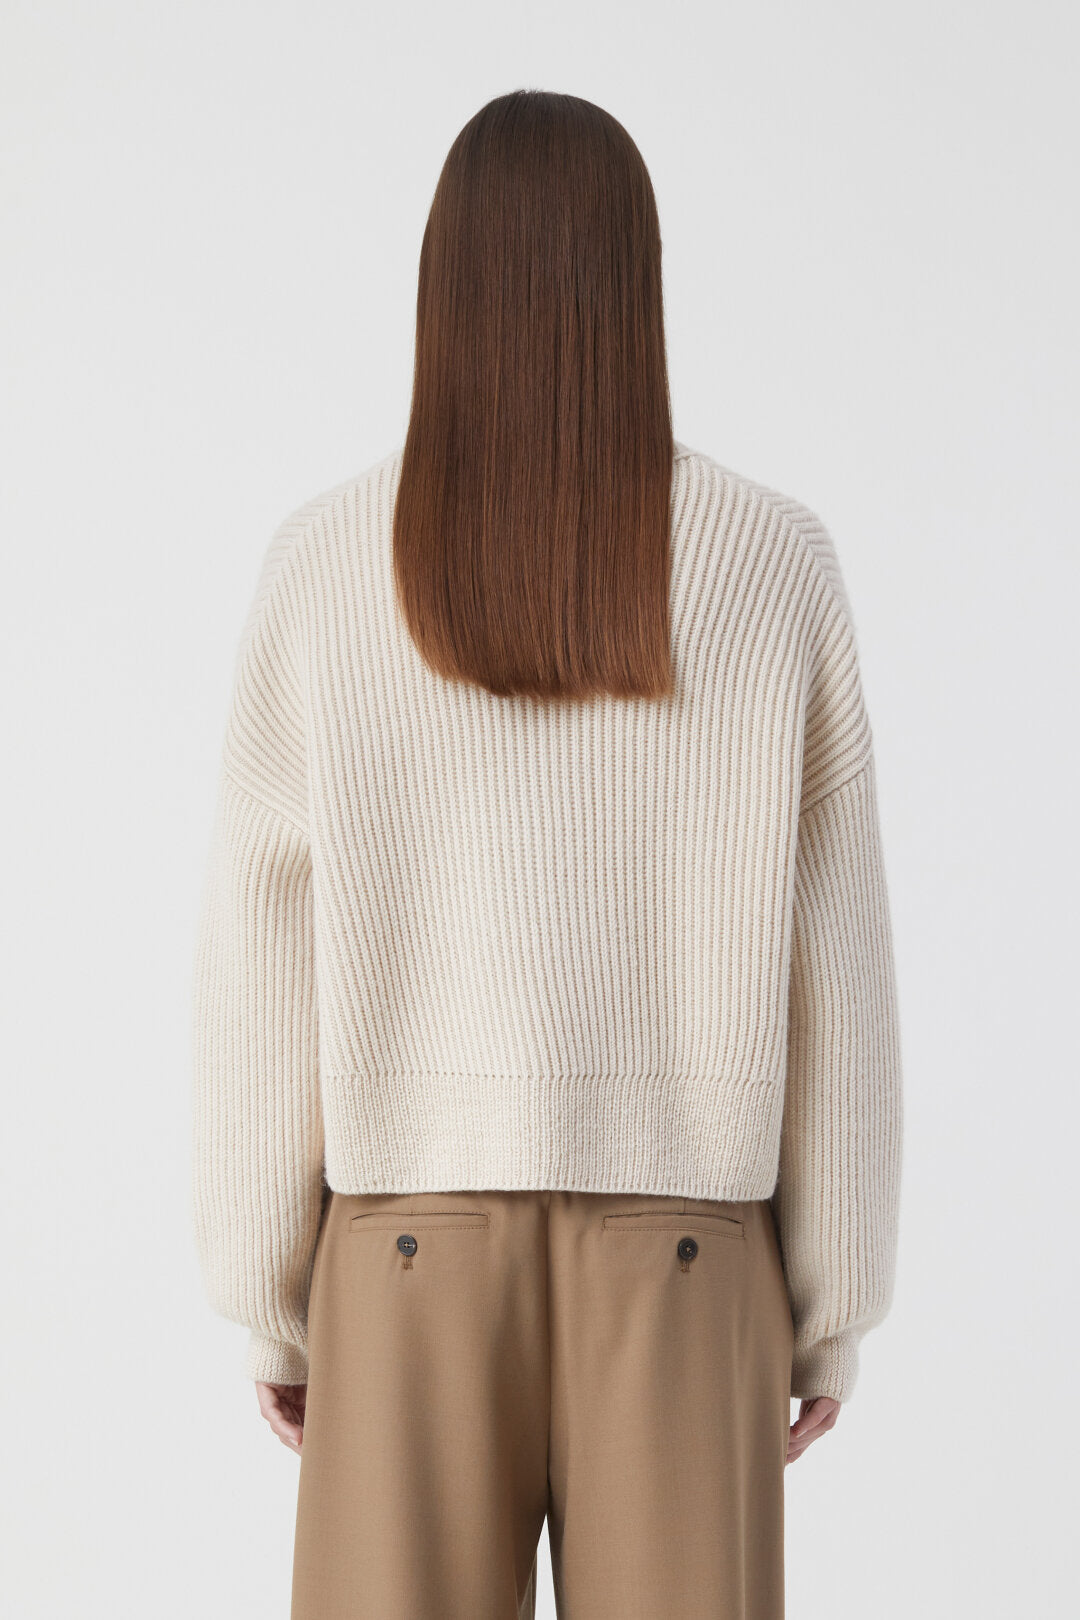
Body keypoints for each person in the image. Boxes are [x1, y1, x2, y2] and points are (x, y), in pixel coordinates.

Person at [192, 88, 903, 1620]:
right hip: (690, 1261)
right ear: (637, 285)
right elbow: (833, 954)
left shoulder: (323, 565)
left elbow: (259, 942)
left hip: (403, 1257)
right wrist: (830, 1303)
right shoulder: (772, 563)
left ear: (440, 283)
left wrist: (269, 1292)